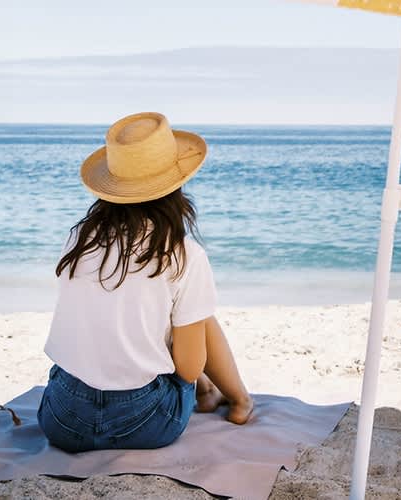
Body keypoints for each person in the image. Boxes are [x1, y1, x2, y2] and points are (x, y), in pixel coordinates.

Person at [37, 112, 252, 453]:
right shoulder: (183, 254)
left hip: (63, 421)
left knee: (163, 313)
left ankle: (214, 391)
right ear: (175, 186)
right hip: (145, 422)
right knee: (196, 316)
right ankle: (238, 398)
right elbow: (189, 367)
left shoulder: (79, 238)